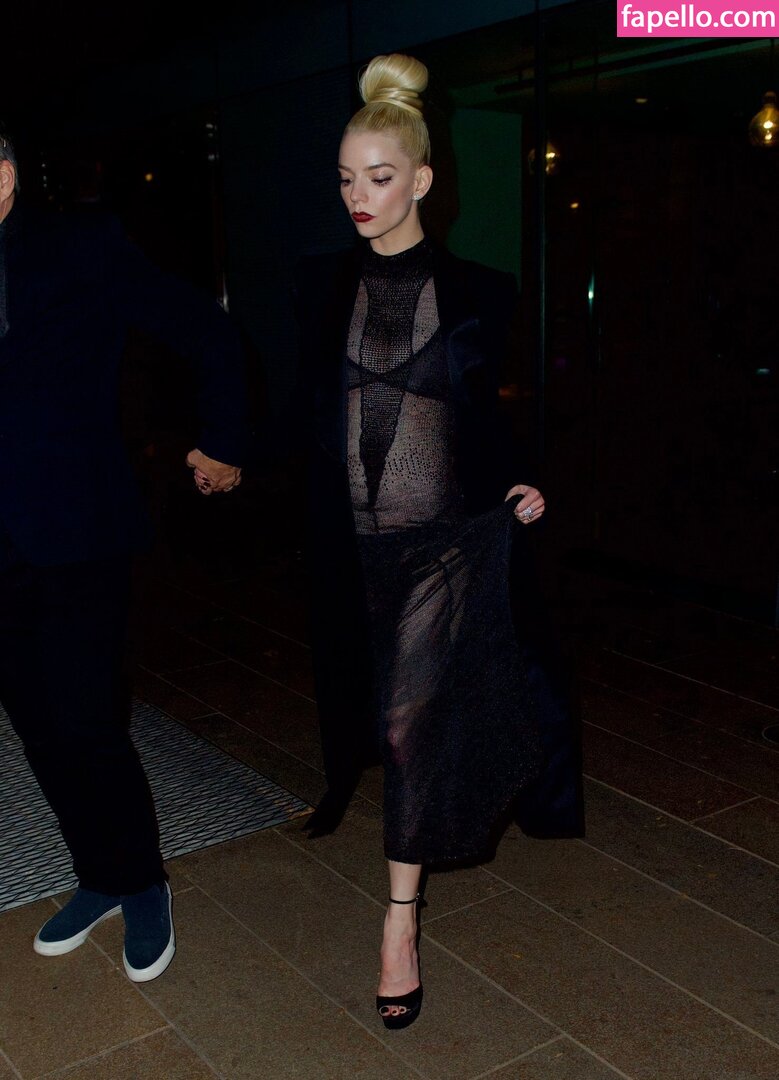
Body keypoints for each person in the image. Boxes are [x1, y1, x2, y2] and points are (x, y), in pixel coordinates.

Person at [294, 54, 583, 1030]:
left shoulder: (480, 292)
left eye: (378, 177)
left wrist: (525, 477)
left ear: (420, 179)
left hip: (440, 546)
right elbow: (303, 414)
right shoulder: (316, 288)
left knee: (407, 727)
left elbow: (504, 411)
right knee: (366, 716)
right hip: (350, 548)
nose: (358, 197)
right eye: (345, 178)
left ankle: (398, 925)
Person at [0, 127, 248, 981]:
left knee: (87, 723)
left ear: (3, 174)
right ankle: (98, 875)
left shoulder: (80, 244)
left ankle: (142, 882)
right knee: (36, 728)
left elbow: (204, 330)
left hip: (77, 531)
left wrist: (225, 439)